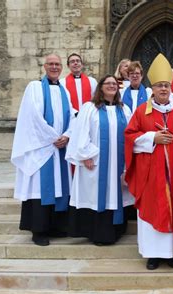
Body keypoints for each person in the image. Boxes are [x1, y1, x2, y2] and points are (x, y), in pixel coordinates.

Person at [125, 53, 173, 270]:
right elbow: (129, 137)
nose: (163, 89)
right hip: (151, 173)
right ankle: (153, 254)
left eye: (166, 85)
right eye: (159, 86)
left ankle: (172, 253)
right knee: (152, 209)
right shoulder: (141, 112)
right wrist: (152, 138)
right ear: (152, 89)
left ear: (171, 88)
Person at [11, 53, 75, 246]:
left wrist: (68, 135)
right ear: (44, 67)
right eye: (51, 64)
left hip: (60, 148)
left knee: (59, 188)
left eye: (57, 64)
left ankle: (56, 227)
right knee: (41, 189)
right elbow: (33, 117)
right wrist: (53, 138)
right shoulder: (35, 87)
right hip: (41, 149)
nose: (55, 67)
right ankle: (38, 231)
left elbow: (72, 115)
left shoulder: (65, 91)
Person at [65, 75, 132, 245]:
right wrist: (85, 154)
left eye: (114, 84)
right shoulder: (90, 108)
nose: (111, 86)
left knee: (116, 194)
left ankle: (116, 230)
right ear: (100, 87)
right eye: (107, 83)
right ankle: (96, 233)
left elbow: (130, 134)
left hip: (118, 162)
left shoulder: (124, 110)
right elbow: (81, 132)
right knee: (96, 195)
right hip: (95, 162)